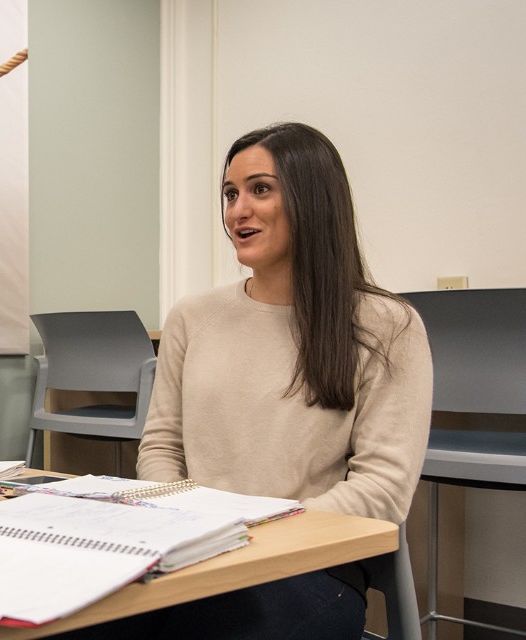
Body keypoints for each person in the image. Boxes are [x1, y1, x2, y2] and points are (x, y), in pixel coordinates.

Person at [88, 122, 432, 640]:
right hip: (192, 555)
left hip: (310, 563)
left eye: (260, 189)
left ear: (312, 200)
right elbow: (161, 446)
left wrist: (249, 530)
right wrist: (186, 525)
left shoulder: (387, 325)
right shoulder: (192, 316)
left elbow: (381, 490)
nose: (237, 210)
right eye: (230, 193)